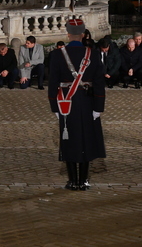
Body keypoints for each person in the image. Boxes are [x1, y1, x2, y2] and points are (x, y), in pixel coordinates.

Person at [47, 16, 106, 190]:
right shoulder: (93, 54)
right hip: (88, 101)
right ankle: (84, 180)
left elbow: (53, 83)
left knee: (69, 139)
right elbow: (99, 83)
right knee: (87, 138)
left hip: (66, 101)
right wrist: (99, 107)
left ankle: (73, 180)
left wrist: (54, 106)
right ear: (83, 34)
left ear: (68, 34)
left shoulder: (57, 54)